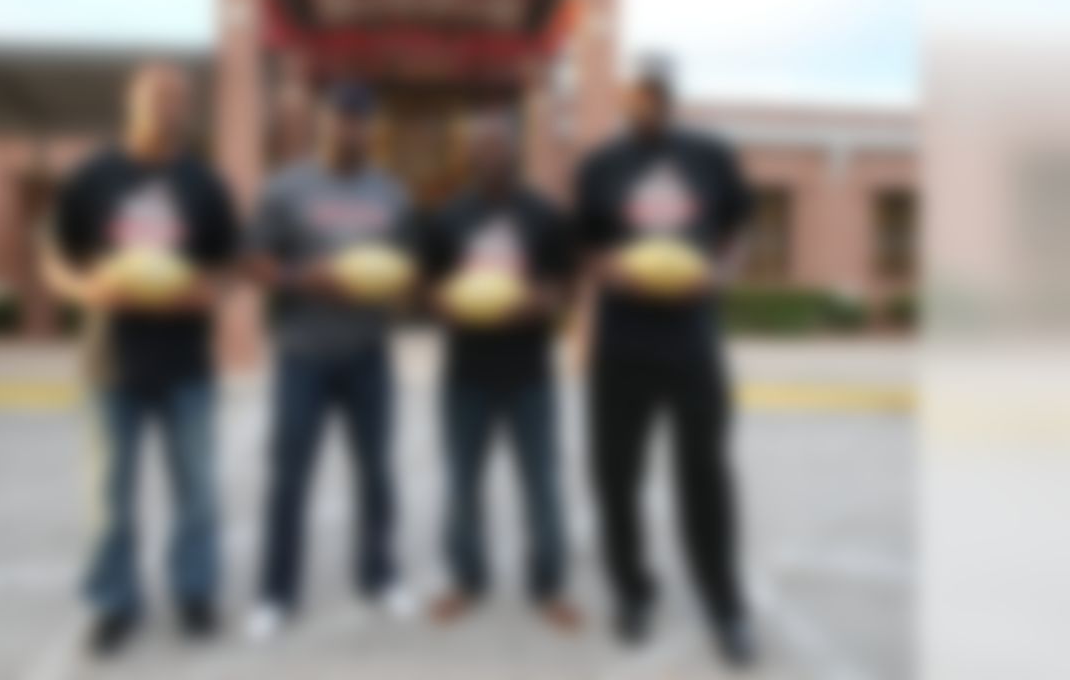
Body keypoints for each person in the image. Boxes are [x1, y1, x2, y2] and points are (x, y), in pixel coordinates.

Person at [41, 62, 240, 655]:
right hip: (111, 363)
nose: (168, 107)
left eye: (180, 99)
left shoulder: (206, 184)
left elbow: (228, 264)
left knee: (198, 493)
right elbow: (54, 258)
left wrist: (214, 290)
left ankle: (194, 593)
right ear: (129, 102)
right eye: (156, 96)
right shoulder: (92, 177)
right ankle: (113, 603)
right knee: (110, 498)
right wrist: (86, 291)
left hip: (187, 364)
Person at [573, 58, 758, 666]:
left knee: (704, 478)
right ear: (626, 101)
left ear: (672, 99)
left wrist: (718, 275)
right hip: (622, 345)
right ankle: (633, 593)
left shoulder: (711, 157)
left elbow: (739, 235)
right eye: (637, 95)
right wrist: (614, 270)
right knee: (615, 478)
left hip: (691, 343)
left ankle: (725, 605)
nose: (647, 104)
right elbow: (585, 247)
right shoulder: (600, 166)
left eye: (657, 94)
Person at [243, 82, 416, 641]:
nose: (351, 129)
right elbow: (256, 262)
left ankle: (380, 576)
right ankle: (276, 593)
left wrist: (397, 284)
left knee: (376, 473)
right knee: (290, 478)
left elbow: (409, 266)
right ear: (323, 123)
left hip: (369, 354)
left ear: (372, 128)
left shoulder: (392, 194)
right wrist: (301, 278)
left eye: (361, 119)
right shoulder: (286, 187)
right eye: (342, 118)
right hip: (302, 356)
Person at [420, 111, 581, 631]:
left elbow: (567, 286)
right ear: (469, 155)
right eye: (480, 147)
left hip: (529, 374)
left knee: (542, 485)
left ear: (515, 150)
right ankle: (467, 581)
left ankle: (549, 586)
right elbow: (425, 285)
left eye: (499, 145)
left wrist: (542, 302)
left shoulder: (542, 215)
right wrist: (439, 301)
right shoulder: (448, 217)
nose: (490, 154)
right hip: (465, 374)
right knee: (463, 484)